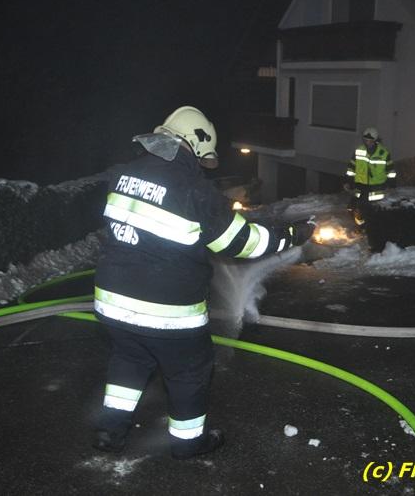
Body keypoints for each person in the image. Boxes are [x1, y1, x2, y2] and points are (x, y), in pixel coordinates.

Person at [91, 106, 315, 458]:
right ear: (195, 146)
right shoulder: (194, 191)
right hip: (168, 312)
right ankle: (188, 442)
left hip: (112, 304)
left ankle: (110, 431)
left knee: (129, 361)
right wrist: (292, 234)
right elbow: (243, 243)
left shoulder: (125, 174)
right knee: (188, 372)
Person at [345, 126, 395, 225]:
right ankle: (361, 225)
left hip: (376, 186)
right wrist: (348, 180)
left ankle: (364, 226)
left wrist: (391, 183)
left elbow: (390, 169)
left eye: (370, 140)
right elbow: (351, 166)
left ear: (375, 140)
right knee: (352, 207)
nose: (367, 142)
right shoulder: (359, 150)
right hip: (360, 184)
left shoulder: (383, 153)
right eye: (365, 140)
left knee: (368, 209)